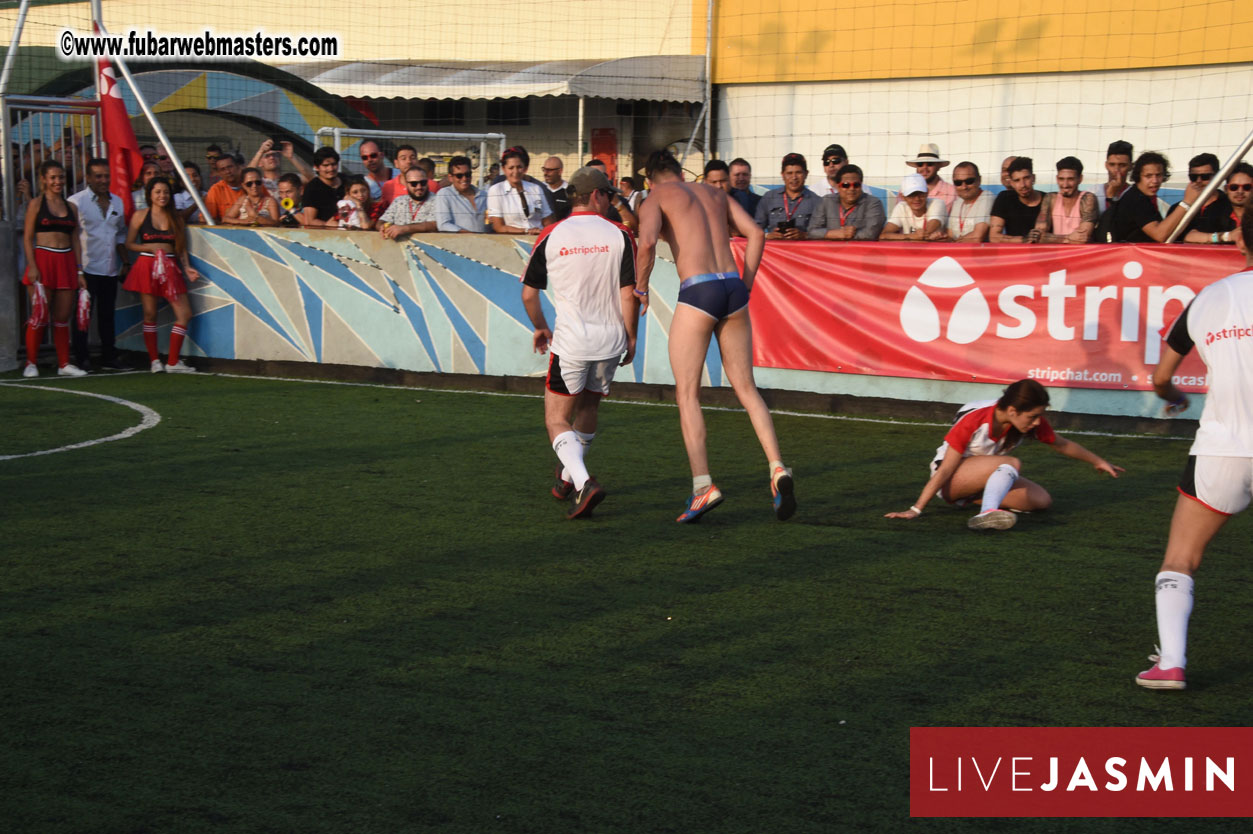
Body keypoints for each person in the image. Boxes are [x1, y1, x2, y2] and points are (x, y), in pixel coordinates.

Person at [635, 149, 796, 523]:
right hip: (733, 287)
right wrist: (749, 283)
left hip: (698, 290)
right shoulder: (713, 192)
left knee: (687, 393)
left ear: (649, 178)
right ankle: (777, 468)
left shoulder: (655, 197)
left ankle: (703, 486)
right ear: (679, 170)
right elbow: (756, 233)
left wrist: (641, 289)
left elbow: (644, 243)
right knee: (746, 388)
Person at [1135, 210, 1253, 691]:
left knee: (1181, 558)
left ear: (1241, 237)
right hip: (1224, 445)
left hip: (1223, 449)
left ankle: (1172, 663)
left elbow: (1161, 378)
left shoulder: (1211, 297)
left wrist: (1174, 398)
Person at [521, 166, 641, 519]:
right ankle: (567, 476)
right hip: (610, 340)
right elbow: (628, 294)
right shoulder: (620, 235)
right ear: (597, 195)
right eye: (610, 195)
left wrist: (541, 327)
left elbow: (530, 295)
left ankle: (584, 481)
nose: (611, 202)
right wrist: (631, 337)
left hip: (572, 342)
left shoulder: (551, 234)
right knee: (589, 408)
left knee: (556, 419)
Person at [885, 379, 1123, 530]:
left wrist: (1098, 461)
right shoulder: (974, 419)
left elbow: (1060, 444)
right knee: (1011, 462)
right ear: (1012, 410)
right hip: (949, 481)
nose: (1037, 422)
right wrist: (916, 509)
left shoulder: (1026, 421)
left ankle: (976, 500)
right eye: (1032, 416)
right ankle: (986, 512)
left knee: (1041, 501)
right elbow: (946, 468)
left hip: (982, 477)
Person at [123, 177, 202, 373]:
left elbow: (180, 247)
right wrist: (147, 247)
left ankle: (173, 361)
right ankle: (154, 361)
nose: (162, 196)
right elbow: (128, 243)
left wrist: (187, 267)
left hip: (170, 266)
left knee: (184, 314)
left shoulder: (176, 218)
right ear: (149, 194)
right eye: (157, 192)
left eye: (165, 192)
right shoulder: (140, 215)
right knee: (150, 314)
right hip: (147, 265)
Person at [21, 159, 87, 377]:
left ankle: (64, 363)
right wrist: (32, 266)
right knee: (39, 314)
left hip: (66, 261)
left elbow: (76, 239)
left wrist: (79, 270)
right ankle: (31, 363)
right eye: (53, 177)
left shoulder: (71, 207)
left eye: (60, 177)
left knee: (62, 316)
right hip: (43, 260)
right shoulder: (36, 204)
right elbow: (28, 237)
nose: (58, 181)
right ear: (44, 180)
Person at [68, 157, 129, 371]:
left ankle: (108, 356)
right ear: (88, 177)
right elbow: (71, 235)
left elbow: (120, 232)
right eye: (99, 176)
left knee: (107, 314)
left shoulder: (118, 202)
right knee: (83, 314)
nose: (104, 180)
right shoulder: (76, 201)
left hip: (110, 267)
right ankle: (81, 357)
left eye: (107, 176)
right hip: (85, 267)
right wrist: (76, 269)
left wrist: (125, 261)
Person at [1107, 151, 1203, 243]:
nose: (1155, 181)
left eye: (1159, 175)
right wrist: (1186, 202)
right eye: (1148, 176)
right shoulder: (1136, 199)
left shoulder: (1143, 197)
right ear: (1138, 176)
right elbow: (1159, 235)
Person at [808, 163, 885, 241]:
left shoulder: (873, 203)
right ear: (838, 187)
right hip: (829, 252)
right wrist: (833, 234)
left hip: (860, 252)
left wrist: (845, 235)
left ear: (861, 185)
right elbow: (811, 231)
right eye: (846, 185)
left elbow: (871, 234)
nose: (851, 188)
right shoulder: (826, 201)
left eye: (856, 185)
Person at [487, 147, 553, 235]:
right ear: (504, 169)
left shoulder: (536, 188)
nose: (515, 171)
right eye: (511, 168)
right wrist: (526, 231)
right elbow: (498, 227)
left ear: (525, 168)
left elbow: (548, 221)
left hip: (538, 239)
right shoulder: (496, 190)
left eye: (519, 167)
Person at [1034, 156, 1100, 244]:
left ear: (1080, 179)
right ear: (1057, 179)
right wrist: (1069, 237)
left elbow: (1082, 238)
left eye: (1070, 179)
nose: (1065, 185)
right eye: (1061, 179)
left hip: (1081, 255)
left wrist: (1052, 238)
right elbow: (1038, 236)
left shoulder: (1088, 199)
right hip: (1057, 255)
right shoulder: (1050, 198)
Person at [755, 152, 820, 240]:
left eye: (798, 172)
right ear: (782, 175)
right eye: (789, 173)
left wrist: (805, 235)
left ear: (806, 174)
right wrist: (768, 235)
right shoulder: (769, 197)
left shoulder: (817, 201)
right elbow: (756, 228)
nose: (794, 177)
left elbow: (823, 232)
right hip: (773, 251)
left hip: (802, 252)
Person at [1172, 153, 1233, 244]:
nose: (1199, 181)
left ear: (1218, 177)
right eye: (1193, 177)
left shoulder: (1230, 206)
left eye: (1205, 177)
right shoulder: (1177, 209)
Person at [989, 157, 1045, 242]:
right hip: (1016, 254)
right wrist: (1023, 240)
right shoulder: (1004, 198)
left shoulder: (1048, 199)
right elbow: (994, 237)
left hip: (1045, 253)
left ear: (1033, 178)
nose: (1023, 185)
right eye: (1017, 180)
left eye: (1026, 178)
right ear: (1011, 183)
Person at [881, 173, 947, 241]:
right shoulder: (901, 207)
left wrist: (914, 237)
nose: (917, 199)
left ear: (927, 193)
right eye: (911, 195)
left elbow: (933, 224)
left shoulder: (937, 203)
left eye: (920, 194)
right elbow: (883, 236)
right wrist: (911, 236)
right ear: (903, 197)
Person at [434, 156, 487, 233]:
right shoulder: (444, 194)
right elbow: (443, 225)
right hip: (457, 243)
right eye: (459, 176)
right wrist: (468, 235)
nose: (464, 178)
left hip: (485, 242)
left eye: (467, 174)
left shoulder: (484, 195)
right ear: (450, 177)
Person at [379, 168, 437, 237]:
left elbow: (434, 225)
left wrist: (405, 228)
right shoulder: (399, 201)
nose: (419, 187)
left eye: (423, 183)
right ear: (406, 184)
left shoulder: (437, 200)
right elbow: (382, 221)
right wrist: (382, 227)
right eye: (414, 184)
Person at [586, 159, 639, 231]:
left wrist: (617, 203)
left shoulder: (617, 200)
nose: (601, 178)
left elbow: (633, 227)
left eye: (604, 175)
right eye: (596, 175)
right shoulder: (581, 200)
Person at [946, 161, 993, 242]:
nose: (964, 187)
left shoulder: (987, 197)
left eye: (969, 181)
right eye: (958, 183)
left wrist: (954, 243)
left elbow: (977, 237)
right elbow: (949, 236)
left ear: (979, 180)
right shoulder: (957, 202)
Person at [299, 147, 346, 227]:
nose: (330, 169)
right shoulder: (312, 189)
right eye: (326, 165)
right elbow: (310, 221)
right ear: (317, 167)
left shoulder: (347, 181)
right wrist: (331, 226)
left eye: (333, 164)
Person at [903, 142, 956, 211]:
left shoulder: (953, 192)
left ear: (939, 166)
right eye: (920, 164)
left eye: (930, 164)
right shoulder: (904, 191)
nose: (924, 168)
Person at [205, 154, 244, 223]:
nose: (228, 172)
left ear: (238, 167)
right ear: (219, 173)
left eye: (230, 167)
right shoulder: (215, 190)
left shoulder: (252, 184)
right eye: (223, 169)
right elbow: (205, 219)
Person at [539, 156, 572, 222]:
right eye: (544, 169)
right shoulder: (539, 189)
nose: (545, 173)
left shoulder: (569, 191)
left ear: (560, 171)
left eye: (549, 170)